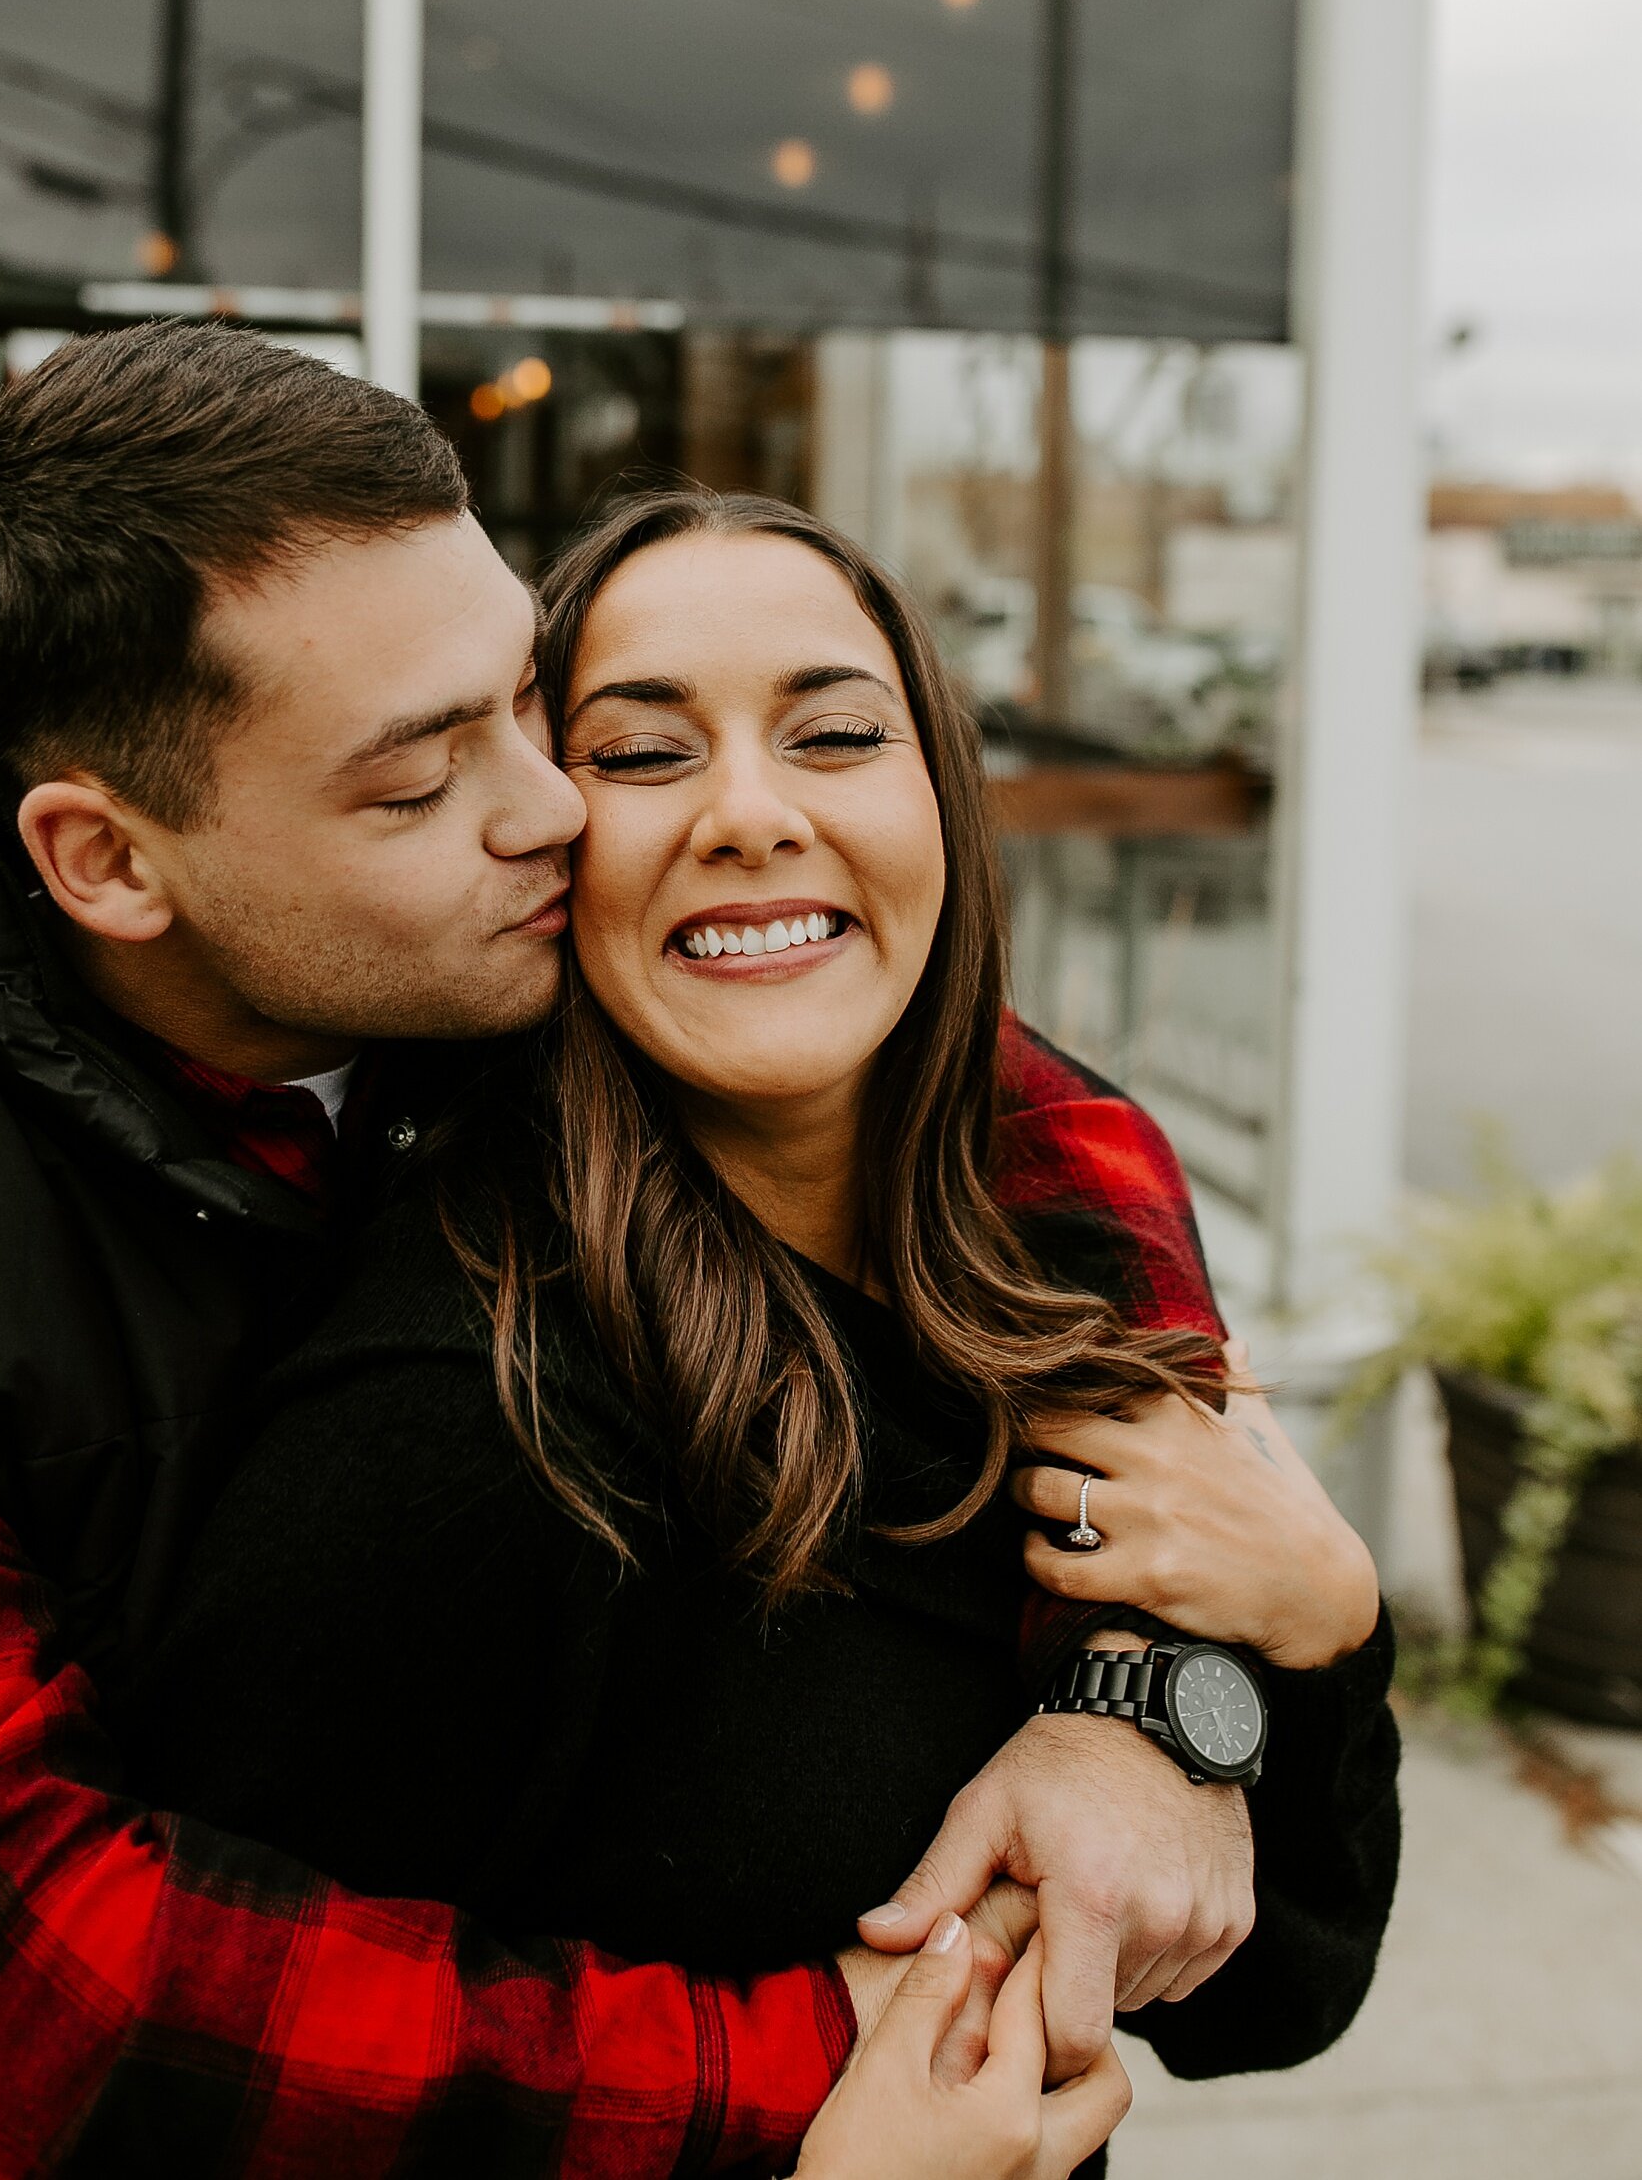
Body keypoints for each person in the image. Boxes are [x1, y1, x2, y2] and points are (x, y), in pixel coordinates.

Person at [0, 329, 1287, 2179]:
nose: (558, 806)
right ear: (106, 862)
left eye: (529, 701)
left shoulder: (493, 933)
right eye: (417, 780)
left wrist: (1132, 1682)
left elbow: (976, 1095)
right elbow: (14, 1999)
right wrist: (818, 2058)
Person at [110, 485, 1402, 2173]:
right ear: (542, 843)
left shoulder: (1054, 1253)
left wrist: (1294, 1642)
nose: (748, 814)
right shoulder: (457, 1423)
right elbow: (214, 2106)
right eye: (641, 755)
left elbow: (1264, 1992)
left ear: (937, 795)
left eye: (836, 734)